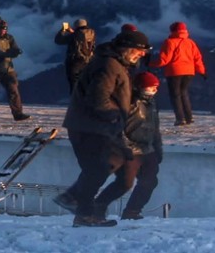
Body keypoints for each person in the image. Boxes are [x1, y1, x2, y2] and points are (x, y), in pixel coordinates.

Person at [55, 31, 151, 227]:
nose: (142, 55)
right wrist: (115, 115)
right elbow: (98, 99)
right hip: (91, 127)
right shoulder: (109, 65)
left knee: (118, 173)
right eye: (139, 50)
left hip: (99, 126)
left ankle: (83, 206)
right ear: (126, 48)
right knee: (99, 168)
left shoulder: (116, 64)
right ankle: (82, 211)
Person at [120, 72, 164, 220]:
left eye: (155, 88)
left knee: (150, 180)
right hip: (132, 149)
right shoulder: (129, 102)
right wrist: (126, 147)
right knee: (124, 182)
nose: (154, 91)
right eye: (150, 88)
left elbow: (155, 129)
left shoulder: (151, 104)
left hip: (148, 148)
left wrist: (158, 150)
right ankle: (96, 209)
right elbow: (118, 128)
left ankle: (132, 211)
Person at [154, 21, 206, 126]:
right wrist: (202, 71)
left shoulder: (169, 42)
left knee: (175, 95)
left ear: (172, 30)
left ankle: (180, 119)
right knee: (184, 93)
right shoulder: (191, 42)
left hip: (174, 72)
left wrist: (151, 64)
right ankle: (189, 117)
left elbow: (164, 60)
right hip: (189, 72)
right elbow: (197, 58)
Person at [55, 19, 98, 94]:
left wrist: (63, 30)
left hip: (75, 62)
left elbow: (58, 40)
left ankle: (75, 102)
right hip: (89, 62)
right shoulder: (92, 33)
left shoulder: (74, 35)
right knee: (86, 83)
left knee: (74, 84)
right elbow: (82, 39)